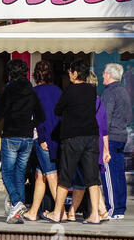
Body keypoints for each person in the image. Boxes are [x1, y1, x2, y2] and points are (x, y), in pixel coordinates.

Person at [0, 59, 45, 224]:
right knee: (19, 174)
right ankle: (17, 213)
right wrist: (29, 125)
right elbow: (41, 116)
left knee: (7, 173)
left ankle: (17, 203)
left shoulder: (9, 89)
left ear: (9, 73)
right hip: (27, 137)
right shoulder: (31, 91)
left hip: (11, 135)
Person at [43, 59, 101, 224]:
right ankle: (95, 214)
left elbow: (58, 109)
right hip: (91, 136)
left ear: (75, 73)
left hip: (72, 137)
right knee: (92, 177)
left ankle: (56, 213)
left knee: (65, 175)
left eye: (70, 72)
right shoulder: (92, 89)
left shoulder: (70, 90)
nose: (69, 74)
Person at [66, 70, 111, 222]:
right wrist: (106, 149)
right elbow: (104, 129)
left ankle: (99, 212)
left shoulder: (83, 102)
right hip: (96, 143)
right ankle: (75, 212)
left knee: (87, 179)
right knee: (89, 179)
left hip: (85, 143)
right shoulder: (99, 101)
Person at [23, 61, 62, 221]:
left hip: (41, 137)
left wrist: (43, 138)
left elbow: (38, 119)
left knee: (51, 174)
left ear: (35, 75)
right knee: (40, 175)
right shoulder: (58, 91)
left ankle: (60, 212)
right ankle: (33, 211)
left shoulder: (34, 92)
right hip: (55, 137)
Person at [101, 63, 132, 220]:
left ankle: (112, 208)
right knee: (119, 173)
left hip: (111, 137)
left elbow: (104, 119)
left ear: (110, 75)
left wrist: (103, 144)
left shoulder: (109, 92)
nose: (102, 75)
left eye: (104, 73)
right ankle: (119, 207)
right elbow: (128, 117)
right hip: (121, 136)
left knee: (109, 174)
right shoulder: (123, 92)